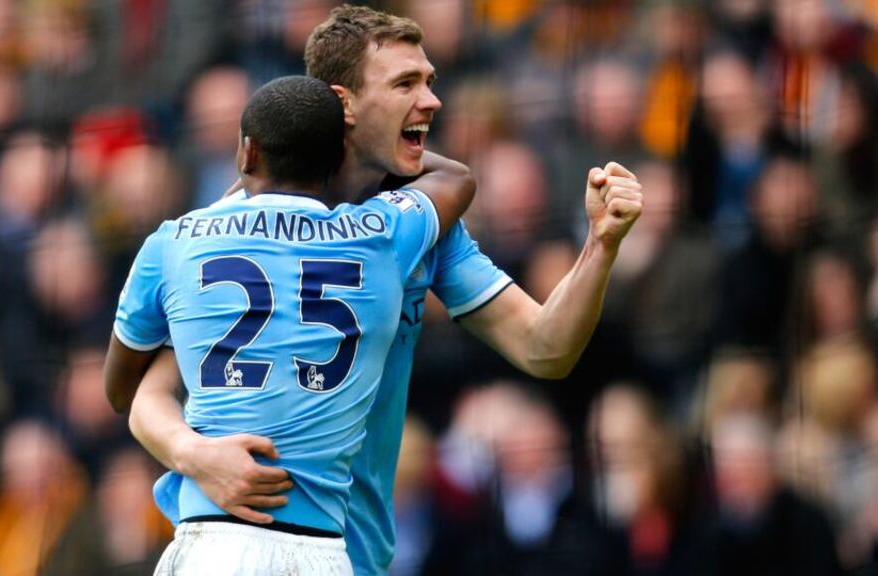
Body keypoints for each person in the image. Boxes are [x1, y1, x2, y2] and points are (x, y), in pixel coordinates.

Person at [113, 5, 644, 575]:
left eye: (430, 82)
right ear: (344, 102)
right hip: (248, 537)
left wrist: (600, 247)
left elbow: (546, 348)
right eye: (405, 84)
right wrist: (195, 456)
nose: (432, 100)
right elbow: (151, 391)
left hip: (356, 554)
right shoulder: (235, 226)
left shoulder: (423, 226)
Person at [104, 75, 474, 574]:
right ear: (333, 160)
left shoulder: (174, 242)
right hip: (322, 550)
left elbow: (119, 387)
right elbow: (457, 180)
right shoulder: (380, 236)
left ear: (246, 153)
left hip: (214, 542)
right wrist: (360, 142)